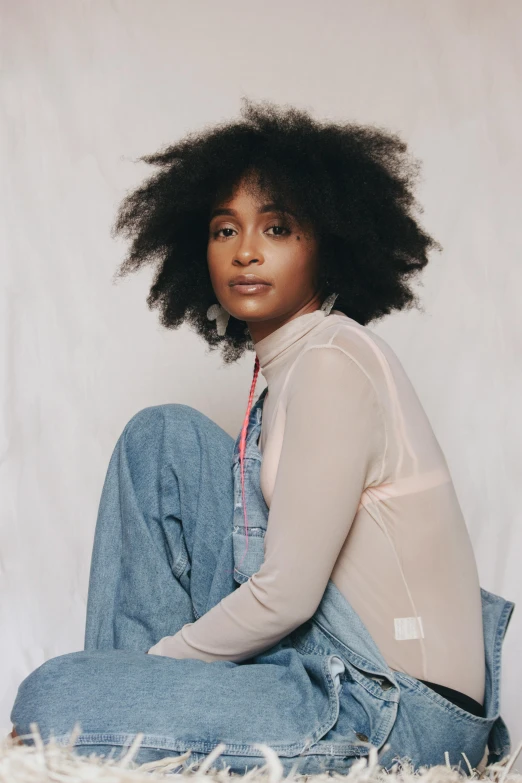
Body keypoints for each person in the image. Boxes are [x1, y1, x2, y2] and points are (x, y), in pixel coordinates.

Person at [9, 98, 515, 776]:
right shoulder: (292, 369)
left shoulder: (333, 365)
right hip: (336, 671)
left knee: (52, 692)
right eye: (225, 230)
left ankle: (118, 704)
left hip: (393, 709)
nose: (245, 250)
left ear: (325, 242)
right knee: (161, 439)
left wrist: (154, 672)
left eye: (275, 227)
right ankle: (124, 723)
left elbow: (286, 594)